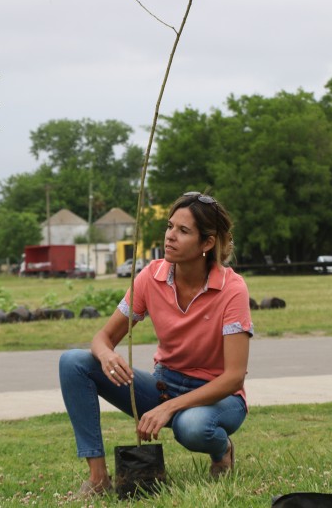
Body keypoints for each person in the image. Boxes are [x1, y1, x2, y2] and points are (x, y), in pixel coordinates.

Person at [59, 191, 254, 496]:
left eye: (183, 231)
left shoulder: (232, 289)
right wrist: (106, 354)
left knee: (189, 427)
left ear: (207, 243)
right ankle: (98, 479)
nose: (170, 237)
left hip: (218, 397)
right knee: (73, 362)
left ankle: (222, 451)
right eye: (169, 226)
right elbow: (103, 337)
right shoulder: (151, 276)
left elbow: (233, 377)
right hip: (164, 386)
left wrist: (170, 409)